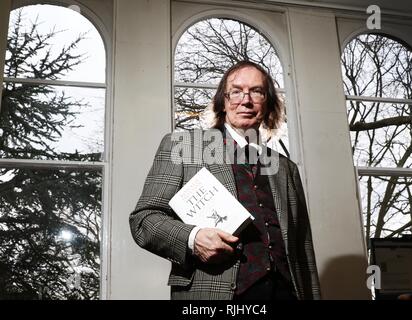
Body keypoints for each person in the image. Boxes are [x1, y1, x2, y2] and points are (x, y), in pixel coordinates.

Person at [129, 60, 321, 300]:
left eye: (257, 92)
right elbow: (143, 220)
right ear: (223, 101)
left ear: (268, 102)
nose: (246, 100)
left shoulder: (286, 168)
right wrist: (193, 238)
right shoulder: (184, 147)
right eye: (236, 91)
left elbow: (304, 251)